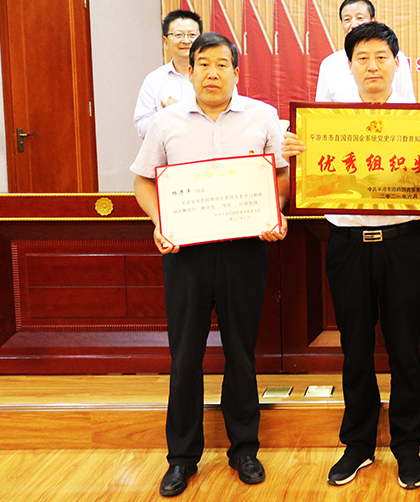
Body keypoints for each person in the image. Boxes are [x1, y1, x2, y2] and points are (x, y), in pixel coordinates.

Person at [131, 32, 289, 497]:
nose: (212, 73)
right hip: (186, 255)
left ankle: (244, 449)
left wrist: (275, 213)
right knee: (185, 356)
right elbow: (143, 182)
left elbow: (279, 176)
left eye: (222, 65)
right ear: (190, 70)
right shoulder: (166, 122)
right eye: (203, 64)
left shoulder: (262, 116)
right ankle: (181, 458)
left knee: (241, 352)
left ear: (236, 72)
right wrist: (159, 222)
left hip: (245, 249)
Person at [284, 22, 420, 490]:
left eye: (381, 57)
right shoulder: (325, 123)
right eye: (362, 58)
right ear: (348, 66)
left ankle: (407, 445)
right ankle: (359, 444)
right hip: (347, 244)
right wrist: (295, 155)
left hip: (403, 244)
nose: (372, 66)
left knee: (405, 349)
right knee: (356, 349)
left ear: (396, 64)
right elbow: (312, 181)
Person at [315, 0, 416, 102]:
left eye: (360, 18)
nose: (354, 24)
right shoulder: (329, 63)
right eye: (347, 19)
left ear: (373, 21)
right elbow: (322, 107)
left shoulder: (395, 56)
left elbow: (407, 102)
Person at [133, 10, 204, 139]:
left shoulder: (215, 77)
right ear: (165, 41)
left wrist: (178, 112)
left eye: (192, 35)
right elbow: (142, 127)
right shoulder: (154, 80)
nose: (186, 40)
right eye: (178, 35)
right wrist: (167, 117)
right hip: (168, 150)